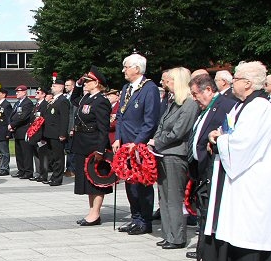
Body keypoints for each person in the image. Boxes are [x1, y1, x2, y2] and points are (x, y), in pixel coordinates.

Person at [201, 61, 271, 261]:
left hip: (251, 178)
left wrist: (219, 140)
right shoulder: (242, 106)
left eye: (235, 78)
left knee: (246, 227)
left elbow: (243, 143)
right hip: (238, 175)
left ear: (247, 83)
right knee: (234, 223)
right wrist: (220, 135)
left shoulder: (259, 107)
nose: (232, 82)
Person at [185, 73, 236, 260]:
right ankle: (203, 249)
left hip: (212, 168)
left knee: (209, 211)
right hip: (201, 168)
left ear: (208, 90)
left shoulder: (225, 106)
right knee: (203, 211)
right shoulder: (206, 107)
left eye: (195, 93)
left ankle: (207, 251)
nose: (194, 98)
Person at [149, 67, 200, 249]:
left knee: (173, 197)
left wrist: (157, 142)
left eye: (169, 80)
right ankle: (168, 233)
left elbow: (179, 131)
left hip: (176, 154)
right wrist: (155, 140)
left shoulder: (188, 104)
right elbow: (162, 124)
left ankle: (177, 237)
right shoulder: (174, 102)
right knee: (163, 196)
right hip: (164, 153)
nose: (165, 83)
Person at [112, 53, 160, 235]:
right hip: (125, 143)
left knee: (142, 183)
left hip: (138, 145)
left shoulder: (150, 89)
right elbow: (120, 116)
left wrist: (138, 142)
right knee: (130, 182)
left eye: (127, 67)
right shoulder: (126, 88)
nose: (123, 70)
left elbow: (150, 120)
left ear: (137, 69)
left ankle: (145, 220)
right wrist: (118, 137)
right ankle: (135, 218)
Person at [70, 66, 112, 226]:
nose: (85, 83)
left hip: (93, 145)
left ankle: (95, 213)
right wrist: (78, 85)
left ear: (96, 83)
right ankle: (92, 211)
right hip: (82, 144)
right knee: (87, 181)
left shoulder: (101, 101)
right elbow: (74, 100)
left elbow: (103, 128)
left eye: (88, 81)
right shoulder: (87, 98)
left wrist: (101, 149)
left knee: (96, 180)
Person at [43, 78, 70, 186]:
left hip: (57, 134)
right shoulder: (54, 100)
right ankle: (54, 176)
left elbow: (64, 119)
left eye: (54, 86)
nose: (52, 88)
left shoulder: (63, 100)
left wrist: (63, 133)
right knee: (52, 157)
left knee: (58, 157)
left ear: (61, 87)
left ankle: (57, 179)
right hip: (50, 133)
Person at [8, 85, 34, 179]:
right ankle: (21, 170)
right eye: (16, 92)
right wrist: (11, 125)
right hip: (17, 131)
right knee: (19, 153)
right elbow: (13, 115)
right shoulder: (17, 103)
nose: (16, 93)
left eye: (19, 92)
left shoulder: (27, 103)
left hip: (23, 130)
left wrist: (12, 125)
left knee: (26, 153)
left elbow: (23, 117)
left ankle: (28, 171)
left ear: (24, 92)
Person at [28, 87, 49, 182]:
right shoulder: (36, 105)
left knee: (43, 156)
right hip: (34, 135)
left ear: (43, 94)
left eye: (38, 92)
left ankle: (44, 175)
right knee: (36, 155)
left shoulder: (45, 105)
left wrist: (43, 136)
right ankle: (38, 173)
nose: (36, 93)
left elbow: (44, 121)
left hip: (41, 135)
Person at [64, 79, 77, 177]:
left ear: (73, 86)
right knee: (67, 149)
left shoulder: (74, 97)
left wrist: (72, 128)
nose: (66, 87)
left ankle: (72, 169)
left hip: (71, 127)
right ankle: (68, 168)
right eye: (65, 85)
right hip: (66, 126)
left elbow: (74, 114)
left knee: (71, 149)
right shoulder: (66, 96)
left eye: (68, 85)